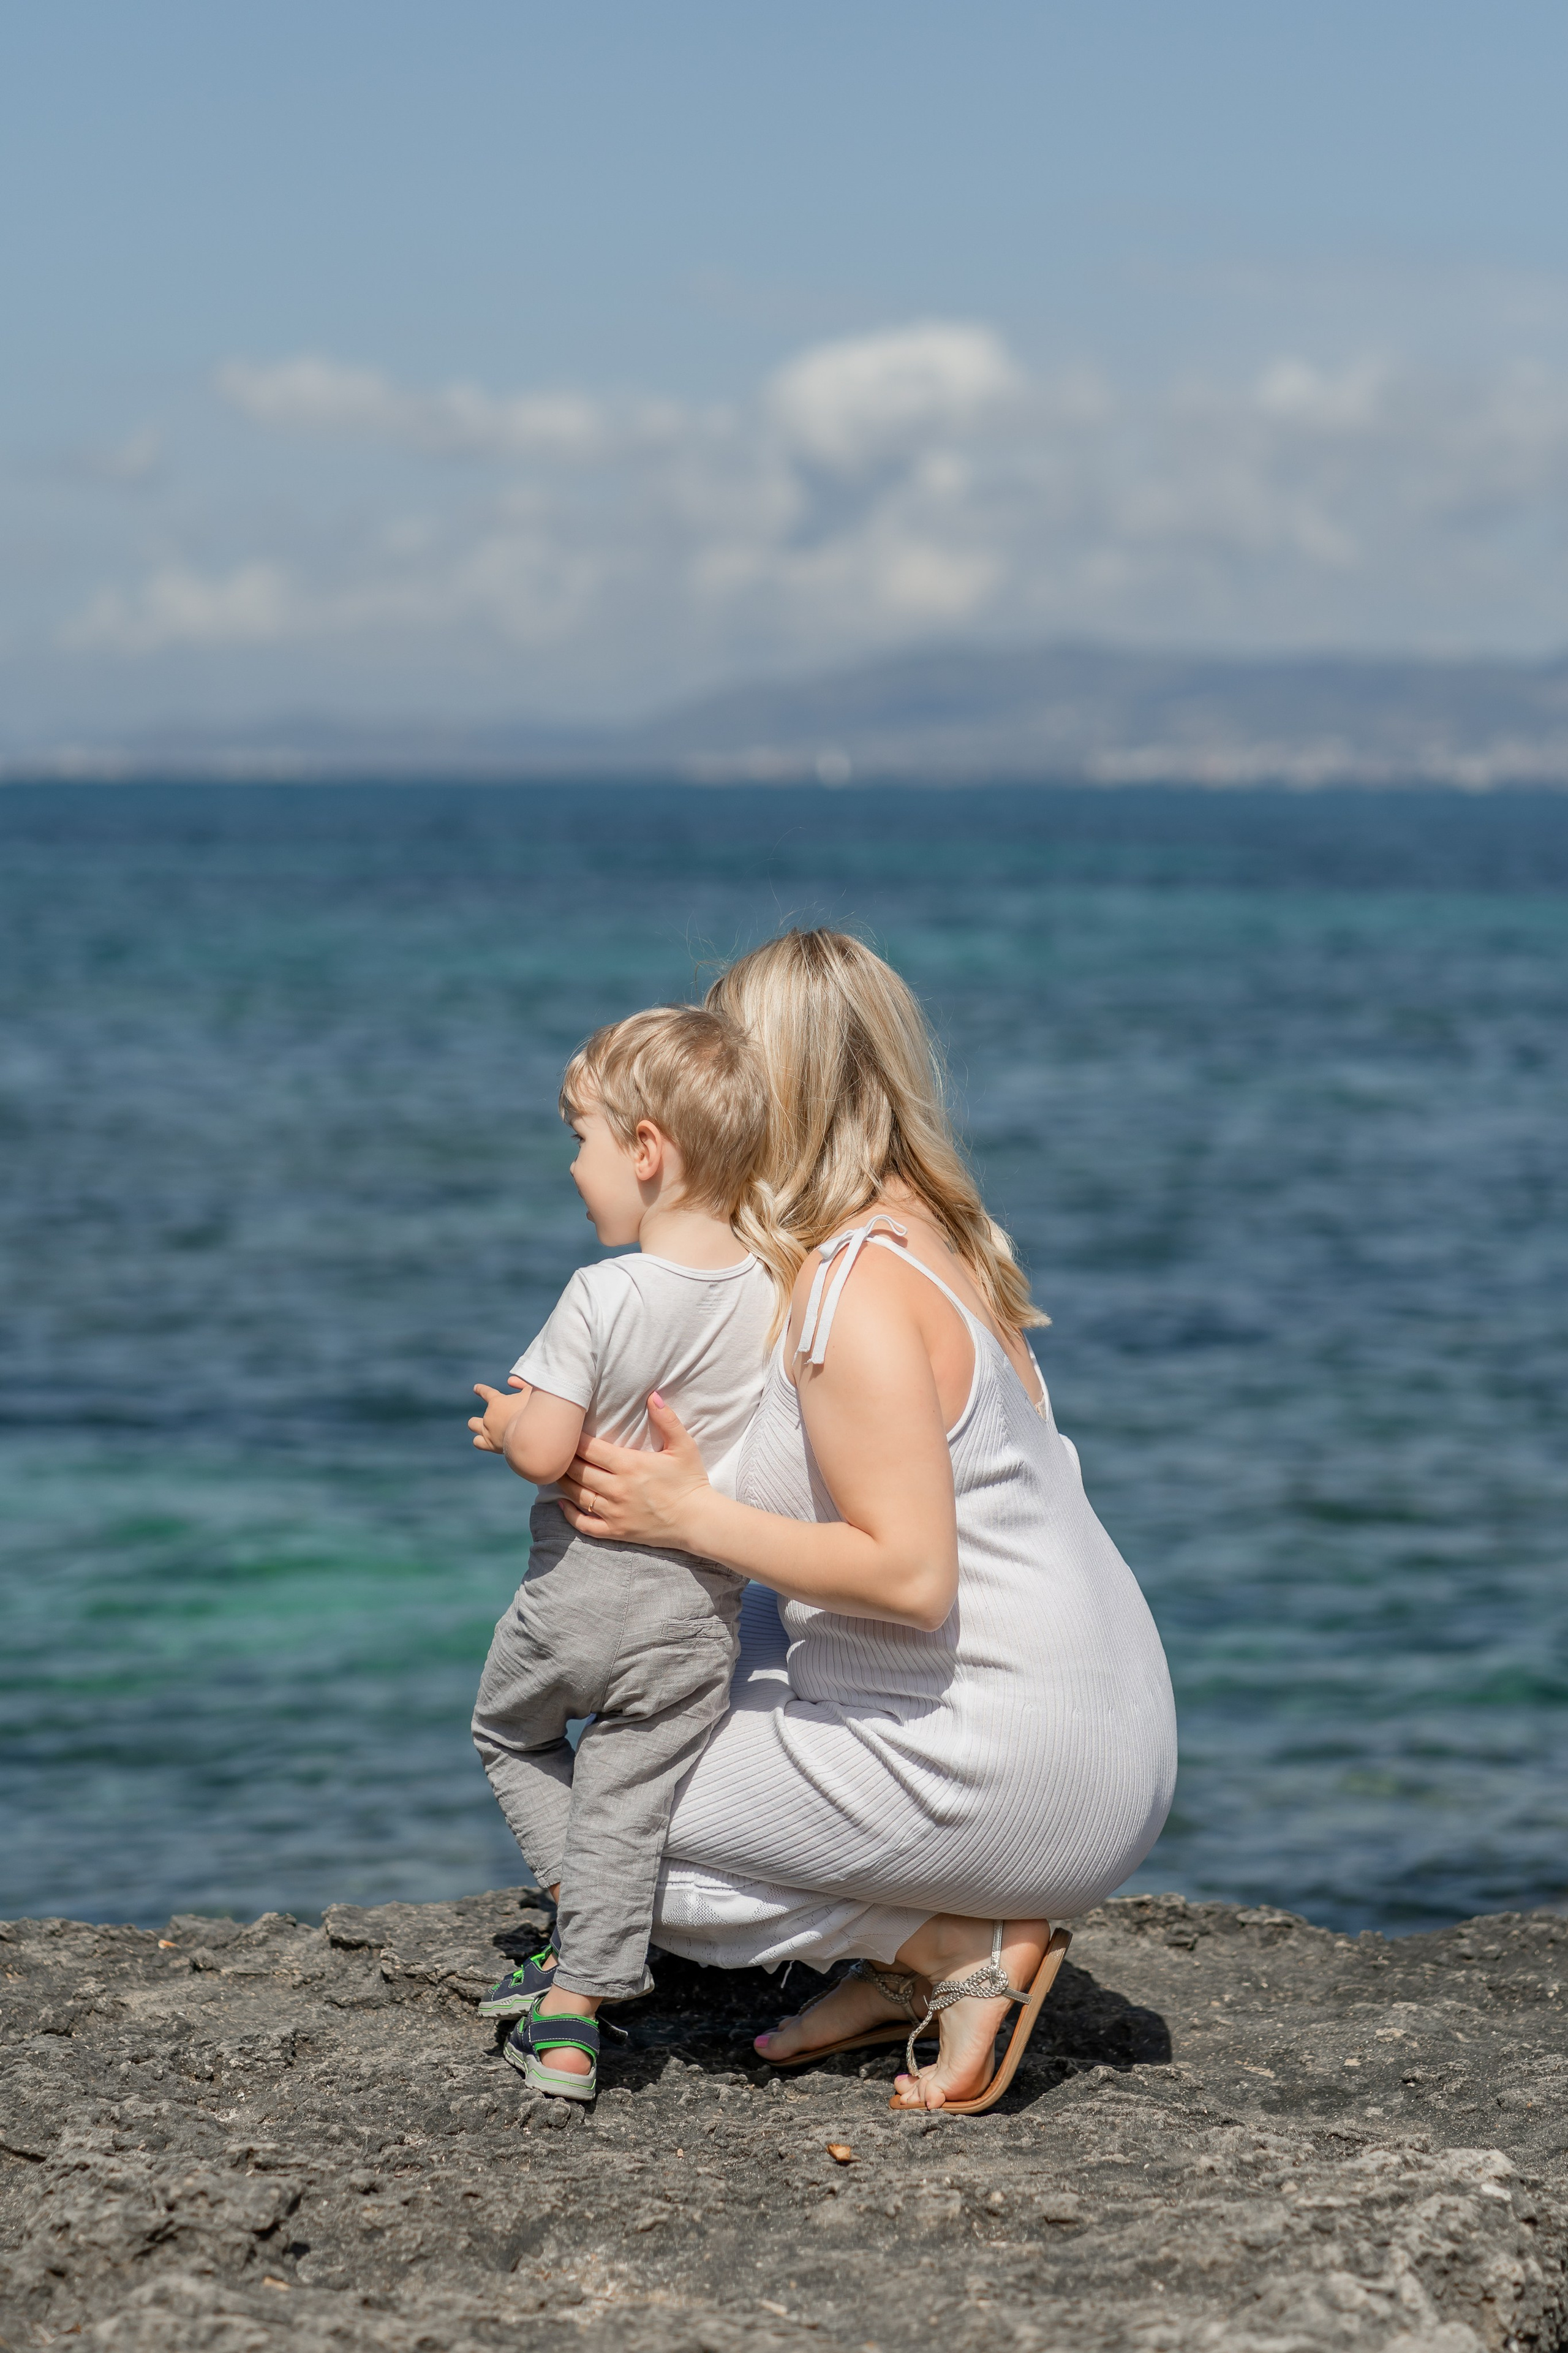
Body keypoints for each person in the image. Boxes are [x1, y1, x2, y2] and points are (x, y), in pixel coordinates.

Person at [553, 930, 1178, 2112]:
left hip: (1009, 1765)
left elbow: (907, 1578)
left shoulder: (851, 1286)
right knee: (668, 1693)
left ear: (772, 1084)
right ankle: (921, 1950)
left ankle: (947, 1948)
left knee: (608, 1820)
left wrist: (686, 1507)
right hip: (1102, 1735)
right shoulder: (946, 1244)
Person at [466, 1005, 783, 2101]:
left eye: (584, 1140)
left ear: (646, 1151)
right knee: (628, 1790)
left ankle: (589, 1927)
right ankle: (573, 2019)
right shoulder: (773, 1291)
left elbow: (549, 1446)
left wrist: (507, 1423)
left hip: (579, 1594)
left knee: (508, 1732)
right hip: (698, 1614)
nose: (573, 1165)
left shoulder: (604, 1291)